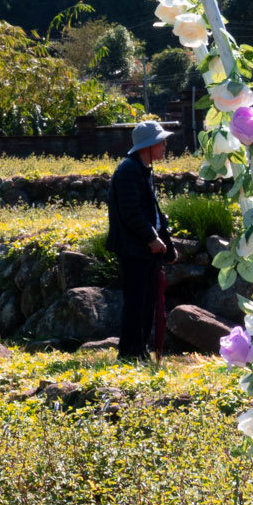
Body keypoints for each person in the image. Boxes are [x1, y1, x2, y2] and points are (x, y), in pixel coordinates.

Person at [108, 117, 173, 362]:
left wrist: (166, 242)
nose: (164, 146)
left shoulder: (143, 169)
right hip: (134, 248)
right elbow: (131, 213)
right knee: (136, 303)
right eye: (161, 142)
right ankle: (129, 353)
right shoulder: (128, 170)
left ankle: (140, 352)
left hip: (145, 248)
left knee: (147, 303)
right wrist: (151, 238)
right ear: (148, 146)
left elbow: (152, 211)